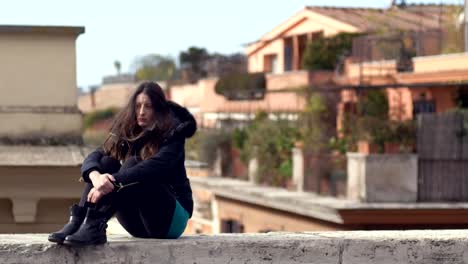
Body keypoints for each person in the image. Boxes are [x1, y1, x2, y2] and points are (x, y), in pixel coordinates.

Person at [48, 81, 196, 246]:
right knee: (106, 161)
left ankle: (93, 225)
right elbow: (95, 155)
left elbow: (155, 166)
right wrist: (96, 177)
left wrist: (112, 181)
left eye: (148, 106)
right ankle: (80, 221)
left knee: (134, 163)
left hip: (169, 221)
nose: (141, 112)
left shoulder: (174, 133)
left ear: (158, 108)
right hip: (137, 224)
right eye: (138, 106)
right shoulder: (128, 129)